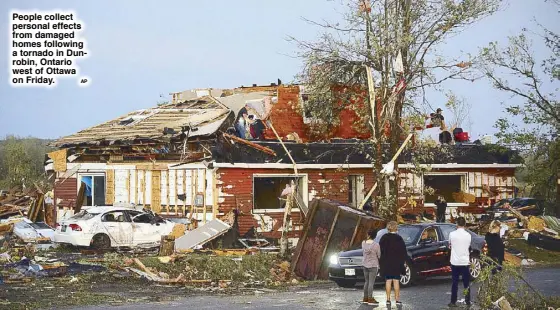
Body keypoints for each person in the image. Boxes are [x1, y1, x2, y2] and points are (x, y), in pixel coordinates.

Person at [379, 221, 407, 309]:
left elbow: (381, 251)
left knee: (388, 281)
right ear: (396, 228)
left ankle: (388, 299)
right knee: (396, 281)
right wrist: (402, 262)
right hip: (397, 263)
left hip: (387, 262)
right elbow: (403, 252)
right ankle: (397, 299)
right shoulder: (399, 238)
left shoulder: (384, 238)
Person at [448, 217, 472, 307]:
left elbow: (449, 246)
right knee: (466, 283)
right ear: (465, 224)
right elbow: (468, 247)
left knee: (455, 283)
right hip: (465, 261)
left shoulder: (452, 234)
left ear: (457, 224)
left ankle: (453, 301)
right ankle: (468, 300)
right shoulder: (468, 235)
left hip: (455, 261)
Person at [362, 229, 381, 305]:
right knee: (371, 283)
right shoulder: (376, 245)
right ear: (375, 236)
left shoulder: (363, 243)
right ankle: (370, 298)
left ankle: (365, 297)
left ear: (369, 235)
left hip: (365, 264)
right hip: (373, 265)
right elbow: (379, 255)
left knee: (366, 281)